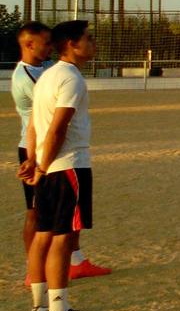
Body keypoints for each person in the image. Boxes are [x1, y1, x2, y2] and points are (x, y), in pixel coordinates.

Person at [12, 21, 108, 280]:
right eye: (88, 38)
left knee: (46, 231)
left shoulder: (46, 74)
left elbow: (33, 123)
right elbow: (55, 128)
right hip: (61, 161)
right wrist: (39, 164)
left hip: (45, 158)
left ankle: (40, 303)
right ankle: (58, 306)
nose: (93, 43)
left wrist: (35, 160)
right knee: (60, 234)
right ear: (72, 44)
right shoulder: (62, 77)